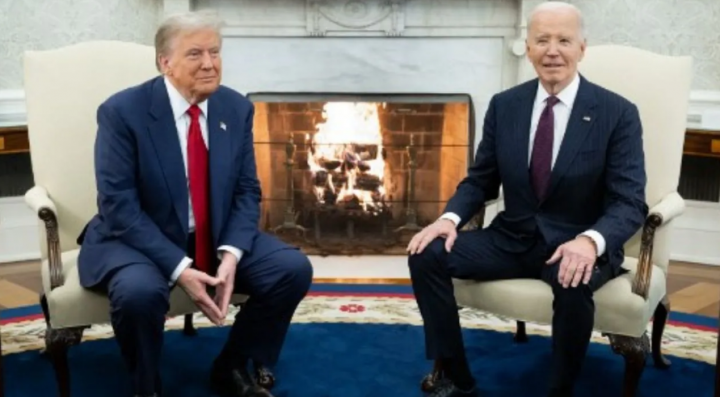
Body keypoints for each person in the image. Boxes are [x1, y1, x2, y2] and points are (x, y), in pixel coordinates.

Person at [406, 2, 647, 396]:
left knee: (573, 279)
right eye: (542, 40)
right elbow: (480, 180)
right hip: (512, 237)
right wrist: (448, 220)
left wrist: (590, 242)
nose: (553, 50)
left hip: (575, 241)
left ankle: (560, 389)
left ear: (582, 48)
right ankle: (454, 374)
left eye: (564, 40)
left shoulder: (616, 113)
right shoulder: (506, 106)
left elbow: (629, 201)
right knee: (425, 253)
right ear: (528, 48)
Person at [76, 10, 313, 397]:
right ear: (165, 63)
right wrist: (180, 268)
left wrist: (233, 254)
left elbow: (246, 190)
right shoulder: (123, 112)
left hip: (211, 234)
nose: (209, 64)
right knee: (138, 294)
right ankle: (146, 387)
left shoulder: (236, 108)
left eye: (215, 52)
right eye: (195, 54)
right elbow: (118, 205)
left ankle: (232, 367)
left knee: (291, 269)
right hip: (137, 240)